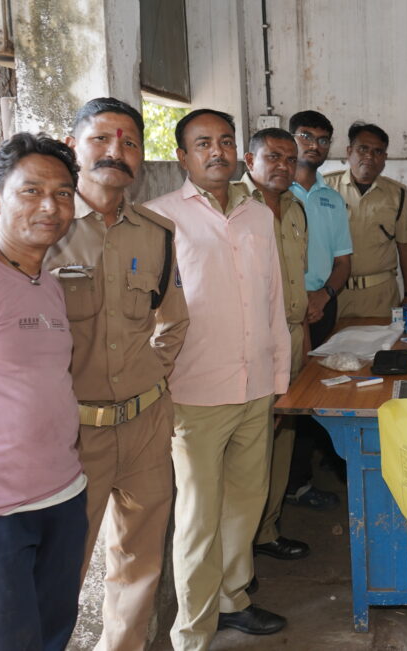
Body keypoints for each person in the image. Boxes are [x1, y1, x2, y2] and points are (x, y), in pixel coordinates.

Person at [46, 97, 189, 651]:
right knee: (62, 571)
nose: (117, 151)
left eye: (130, 141)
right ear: (74, 145)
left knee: (139, 569)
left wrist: (150, 381)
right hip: (71, 435)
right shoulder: (45, 228)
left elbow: (173, 320)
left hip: (146, 425)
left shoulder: (156, 233)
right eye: (102, 138)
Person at [145, 109, 291, 648]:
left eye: (226, 141)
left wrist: (279, 375)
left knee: (245, 505)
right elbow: (149, 313)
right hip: (195, 393)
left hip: (254, 387)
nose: (217, 152)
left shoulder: (257, 216)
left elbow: (273, 300)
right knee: (198, 519)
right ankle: (192, 632)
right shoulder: (158, 218)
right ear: (182, 156)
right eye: (203, 143)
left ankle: (233, 601)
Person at [0, 132, 87, 650]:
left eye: (63, 193)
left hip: (64, 495)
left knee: (53, 637)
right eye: (30, 191)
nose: (50, 206)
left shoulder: (47, 282)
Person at [238, 128, 313, 561]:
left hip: (292, 333)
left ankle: (267, 531)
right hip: (251, 339)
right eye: (273, 157)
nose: (283, 166)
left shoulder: (295, 208)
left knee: (282, 435)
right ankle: (240, 550)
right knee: (250, 444)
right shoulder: (232, 206)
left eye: (290, 158)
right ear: (250, 161)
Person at [284, 110, 352, 511]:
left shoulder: (331, 199)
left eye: (323, 139)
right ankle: (290, 484)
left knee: (319, 393)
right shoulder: (275, 191)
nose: (315, 145)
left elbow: (344, 261)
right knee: (289, 398)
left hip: (323, 304)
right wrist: (299, 299)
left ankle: (304, 480)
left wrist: (323, 295)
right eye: (306, 136)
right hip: (285, 308)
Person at [325, 122, 407, 316]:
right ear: (349, 151)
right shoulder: (325, 189)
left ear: (384, 158)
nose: (369, 156)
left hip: (381, 296)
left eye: (377, 151)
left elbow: (406, 247)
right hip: (333, 294)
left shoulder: (396, 194)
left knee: (382, 346)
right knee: (332, 346)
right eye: (363, 149)